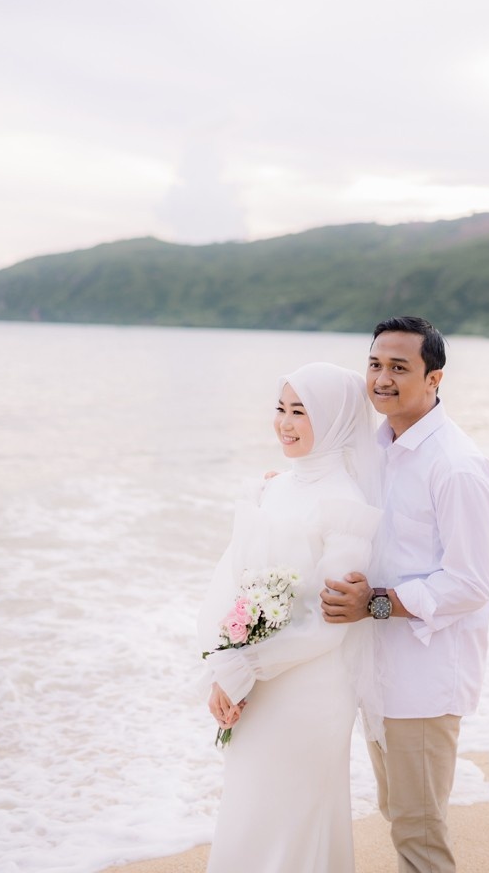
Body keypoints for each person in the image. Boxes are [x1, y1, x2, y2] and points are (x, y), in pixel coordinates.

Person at [321, 317, 489, 873]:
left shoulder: (456, 467)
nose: (382, 378)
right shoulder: (378, 449)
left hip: (425, 681)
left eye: (399, 367)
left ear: (434, 378)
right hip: (379, 672)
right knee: (399, 813)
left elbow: (470, 583)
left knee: (420, 831)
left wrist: (374, 603)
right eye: (375, 364)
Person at [198, 362, 383, 873]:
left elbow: (330, 621)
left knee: (292, 814)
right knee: (249, 806)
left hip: (310, 689)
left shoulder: (346, 504)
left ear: (336, 418)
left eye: (300, 411)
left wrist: (246, 667)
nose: (284, 423)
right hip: (255, 681)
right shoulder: (271, 488)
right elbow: (234, 581)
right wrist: (222, 668)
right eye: (280, 408)